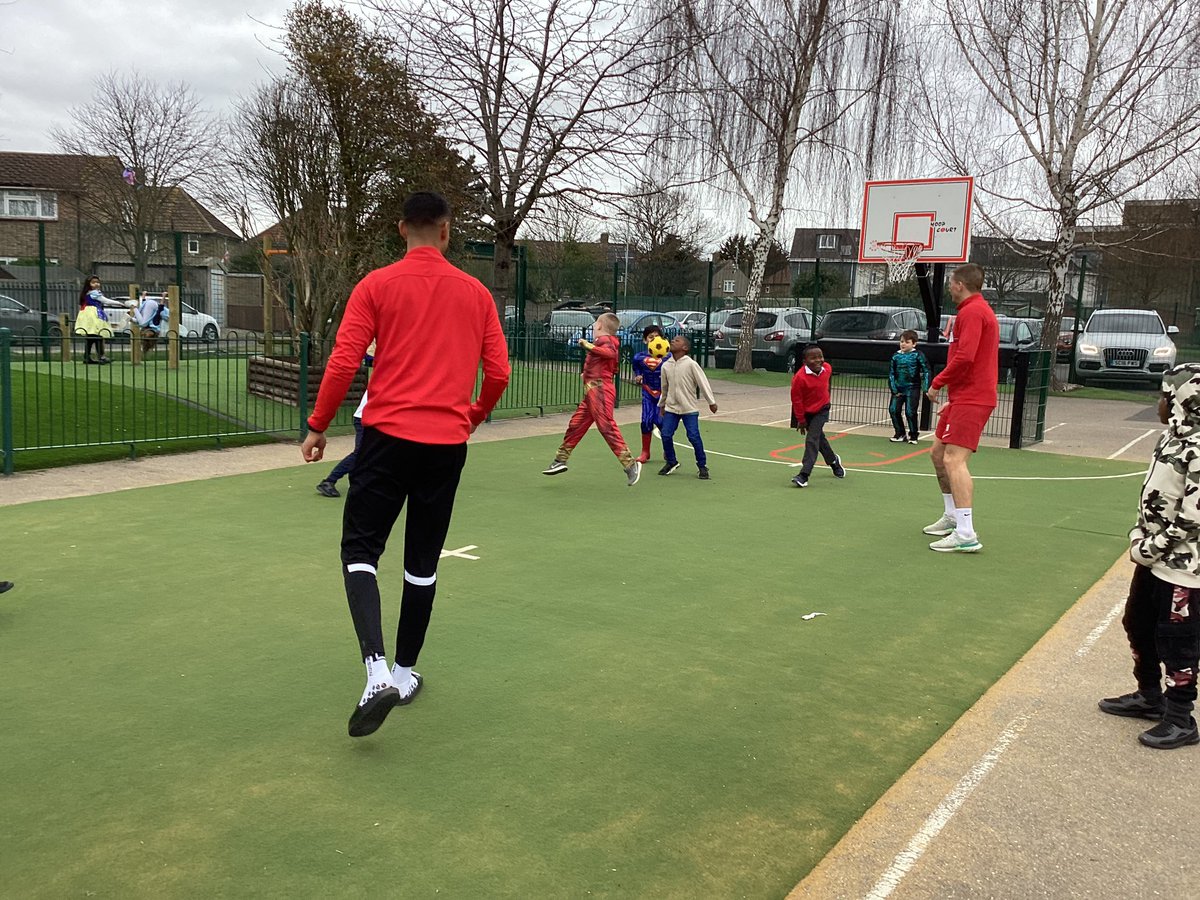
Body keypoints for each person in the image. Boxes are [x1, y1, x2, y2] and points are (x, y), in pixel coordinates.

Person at [300, 191, 510, 738]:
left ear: (401, 230)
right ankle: (404, 671)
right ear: (446, 231)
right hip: (446, 444)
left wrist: (319, 425)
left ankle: (374, 672)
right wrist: (474, 416)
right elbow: (500, 373)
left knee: (361, 550)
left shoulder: (375, 286)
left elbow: (345, 360)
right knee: (422, 561)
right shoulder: (477, 293)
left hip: (387, 438)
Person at [1099, 364, 1200, 749]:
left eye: (1164, 396)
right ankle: (1149, 695)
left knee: (1178, 640)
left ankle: (1180, 717)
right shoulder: (1172, 438)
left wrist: (1150, 547)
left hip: (1184, 568)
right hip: (1153, 558)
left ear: (1184, 401)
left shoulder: (1198, 447)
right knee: (1137, 622)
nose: (1159, 404)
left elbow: (1192, 516)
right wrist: (1141, 534)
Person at [923, 263, 999, 553]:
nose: (948, 288)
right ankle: (953, 516)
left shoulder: (974, 312)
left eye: (951, 283)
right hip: (962, 397)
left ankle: (966, 533)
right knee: (938, 454)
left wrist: (937, 384)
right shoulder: (968, 312)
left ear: (958, 284)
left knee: (955, 460)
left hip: (973, 397)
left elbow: (966, 357)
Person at [541, 312, 641, 485]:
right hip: (593, 390)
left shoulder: (606, 341)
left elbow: (609, 354)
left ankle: (630, 464)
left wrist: (588, 346)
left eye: (595, 324)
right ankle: (560, 460)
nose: (594, 327)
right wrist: (587, 374)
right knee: (576, 424)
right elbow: (610, 365)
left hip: (600, 389)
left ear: (600, 326)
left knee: (606, 425)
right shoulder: (604, 342)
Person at [657, 334, 717, 479]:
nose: (672, 341)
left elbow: (703, 383)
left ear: (685, 348)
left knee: (693, 436)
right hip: (671, 408)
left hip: (688, 408)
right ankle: (671, 461)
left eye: (677, 341)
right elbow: (664, 387)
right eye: (672, 340)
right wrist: (662, 404)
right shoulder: (666, 365)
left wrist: (711, 401)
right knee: (665, 434)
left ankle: (702, 466)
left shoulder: (691, 364)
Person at [789, 344, 845, 488]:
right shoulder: (799, 378)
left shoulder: (827, 369)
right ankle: (833, 461)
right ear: (805, 361)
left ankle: (804, 475)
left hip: (822, 410)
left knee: (812, 439)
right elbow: (797, 400)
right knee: (819, 439)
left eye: (820, 356)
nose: (818, 360)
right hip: (807, 413)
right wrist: (801, 420)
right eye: (813, 358)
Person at [631, 325, 667, 464]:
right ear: (645, 340)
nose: (654, 339)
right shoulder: (639, 357)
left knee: (661, 422)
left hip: (663, 394)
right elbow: (637, 369)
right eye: (650, 337)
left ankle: (667, 449)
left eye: (657, 337)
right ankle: (645, 452)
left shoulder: (668, 357)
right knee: (646, 421)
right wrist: (638, 376)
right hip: (647, 392)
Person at [888, 329, 931, 443]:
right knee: (893, 410)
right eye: (902, 341)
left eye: (907, 342)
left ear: (914, 343)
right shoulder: (895, 356)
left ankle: (913, 435)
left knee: (910, 412)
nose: (903, 344)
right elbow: (891, 373)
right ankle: (900, 433)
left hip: (912, 388)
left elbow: (926, 370)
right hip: (898, 387)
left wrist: (926, 387)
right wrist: (893, 388)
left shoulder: (918, 355)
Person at [75, 275, 111, 364]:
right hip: (93, 315)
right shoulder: (94, 293)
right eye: (93, 282)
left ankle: (87, 357)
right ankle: (101, 356)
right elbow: (106, 301)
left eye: (98, 282)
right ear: (89, 284)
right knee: (97, 335)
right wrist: (121, 304)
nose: (96, 284)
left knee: (91, 336)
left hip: (88, 315)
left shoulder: (87, 293)